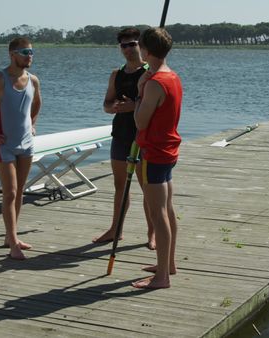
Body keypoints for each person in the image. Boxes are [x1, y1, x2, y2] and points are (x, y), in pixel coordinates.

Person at [0, 37, 42, 260]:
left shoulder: (33, 80)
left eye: (31, 52)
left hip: (26, 145)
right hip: (5, 146)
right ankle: (13, 243)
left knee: (20, 191)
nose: (29, 56)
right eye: (25, 52)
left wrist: (32, 124)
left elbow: (37, 104)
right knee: (10, 192)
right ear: (12, 54)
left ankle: (10, 236)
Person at [93, 27, 155, 249]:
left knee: (147, 186)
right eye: (124, 45)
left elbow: (156, 105)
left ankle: (152, 232)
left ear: (141, 46)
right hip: (120, 135)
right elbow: (106, 103)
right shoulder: (116, 74)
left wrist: (134, 106)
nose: (128, 49)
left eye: (133, 44)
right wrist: (113, 108)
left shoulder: (150, 73)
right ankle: (115, 229)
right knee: (121, 186)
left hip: (142, 136)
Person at [131, 27, 183, 289]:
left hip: (154, 152)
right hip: (168, 151)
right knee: (167, 208)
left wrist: (140, 92)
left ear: (146, 51)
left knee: (158, 212)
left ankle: (161, 277)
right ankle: (168, 264)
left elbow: (140, 122)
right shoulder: (172, 76)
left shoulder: (153, 83)